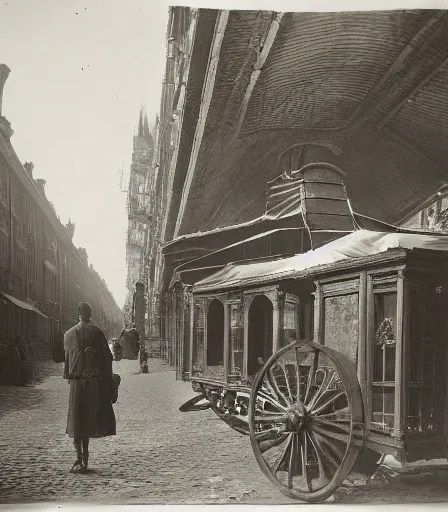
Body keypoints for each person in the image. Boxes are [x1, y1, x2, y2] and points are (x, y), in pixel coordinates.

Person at [63, 302, 116, 473]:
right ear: (90, 314)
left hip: (77, 384)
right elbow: (107, 360)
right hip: (93, 383)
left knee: (77, 421)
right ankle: (85, 458)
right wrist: (109, 385)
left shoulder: (68, 335)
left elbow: (66, 366)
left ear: (78, 314)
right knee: (88, 420)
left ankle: (78, 459)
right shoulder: (97, 332)